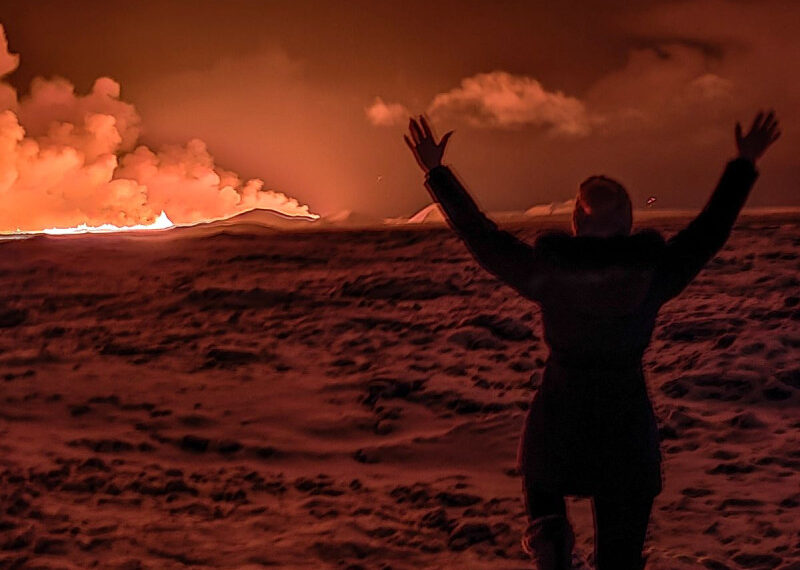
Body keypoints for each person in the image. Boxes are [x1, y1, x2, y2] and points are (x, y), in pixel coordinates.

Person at [404, 112, 781, 569]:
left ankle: (553, 550)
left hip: (558, 421)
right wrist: (743, 163)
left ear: (576, 225)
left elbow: (481, 237)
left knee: (546, 513)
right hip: (626, 429)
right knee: (620, 556)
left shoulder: (548, 273)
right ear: (627, 221)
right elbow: (710, 230)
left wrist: (436, 172)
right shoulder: (653, 272)